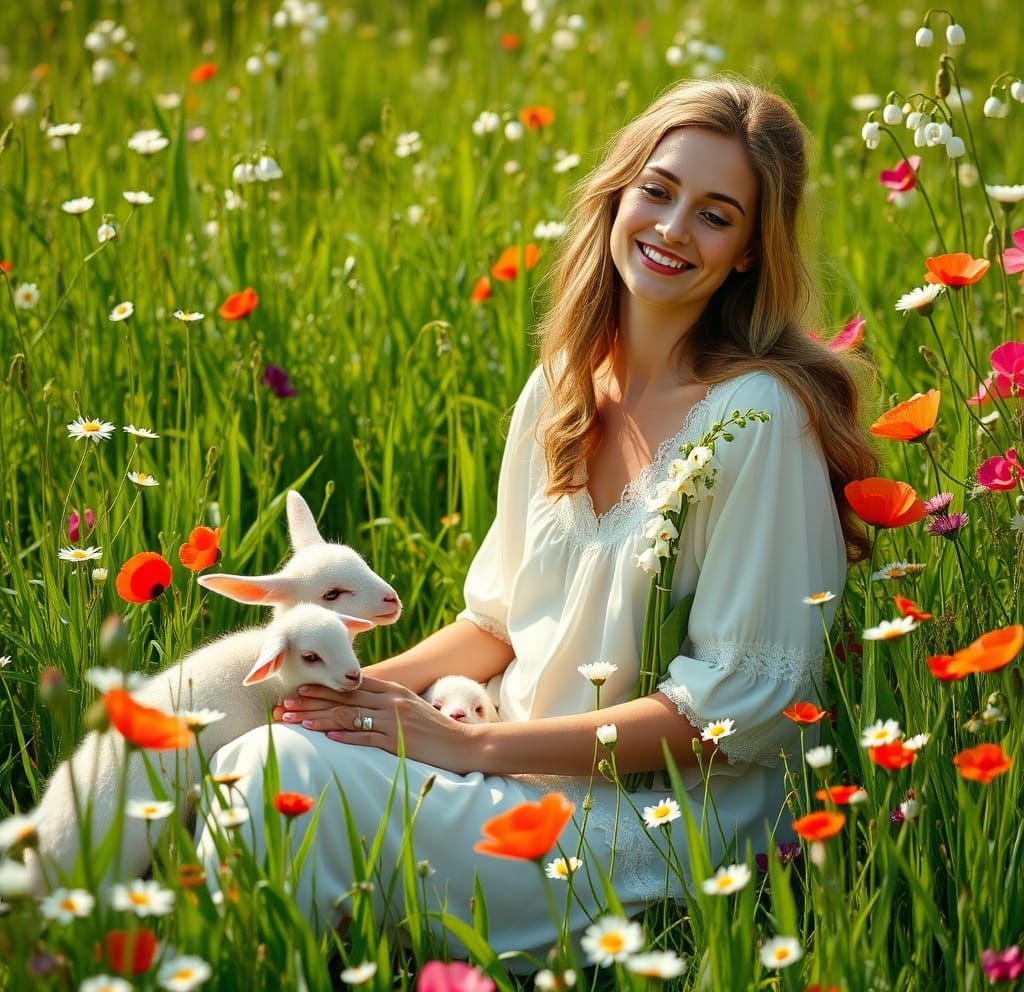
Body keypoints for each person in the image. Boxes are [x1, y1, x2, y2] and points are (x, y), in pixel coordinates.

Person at [194, 77, 877, 960]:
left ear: (750, 249)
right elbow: (497, 624)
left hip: (650, 823)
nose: (671, 229)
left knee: (283, 780)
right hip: (499, 758)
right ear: (620, 194)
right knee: (259, 754)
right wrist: (338, 697)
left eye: (715, 214)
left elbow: (738, 710)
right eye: (658, 192)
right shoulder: (560, 385)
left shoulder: (759, 419)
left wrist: (468, 749)